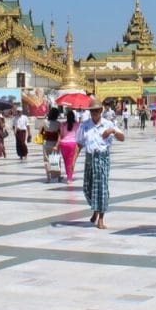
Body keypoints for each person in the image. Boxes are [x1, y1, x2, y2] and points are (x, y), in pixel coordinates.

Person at [76, 97, 125, 229]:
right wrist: (73, 162)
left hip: (102, 158)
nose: (94, 114)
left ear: (101, 111)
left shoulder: (108, 124)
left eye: (97, 111)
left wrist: (113, 131)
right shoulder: (84, 125)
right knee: (88, 188)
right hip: (89, 158)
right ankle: (95, 211)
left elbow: (122, 138)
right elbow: (79, 144)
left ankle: (101, 219)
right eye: (92, 111)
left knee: (101, 188)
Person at [58, 109, 79, 184]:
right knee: (71, 162)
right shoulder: (77, 124)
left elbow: (61, 135)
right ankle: (69, 178)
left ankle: (68, 175)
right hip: (72, 144)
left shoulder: (63, 124)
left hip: (63, 144)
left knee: (66, 161)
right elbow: (78, 135)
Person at [41, 107, 62, 182]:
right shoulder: (58, 124)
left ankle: (48, 178)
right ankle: (58, 176)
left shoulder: (44, 122)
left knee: (46, 160)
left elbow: (41, 131)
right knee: (56, 159)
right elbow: (60, 134)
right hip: (54, 143)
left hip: (46, 143)